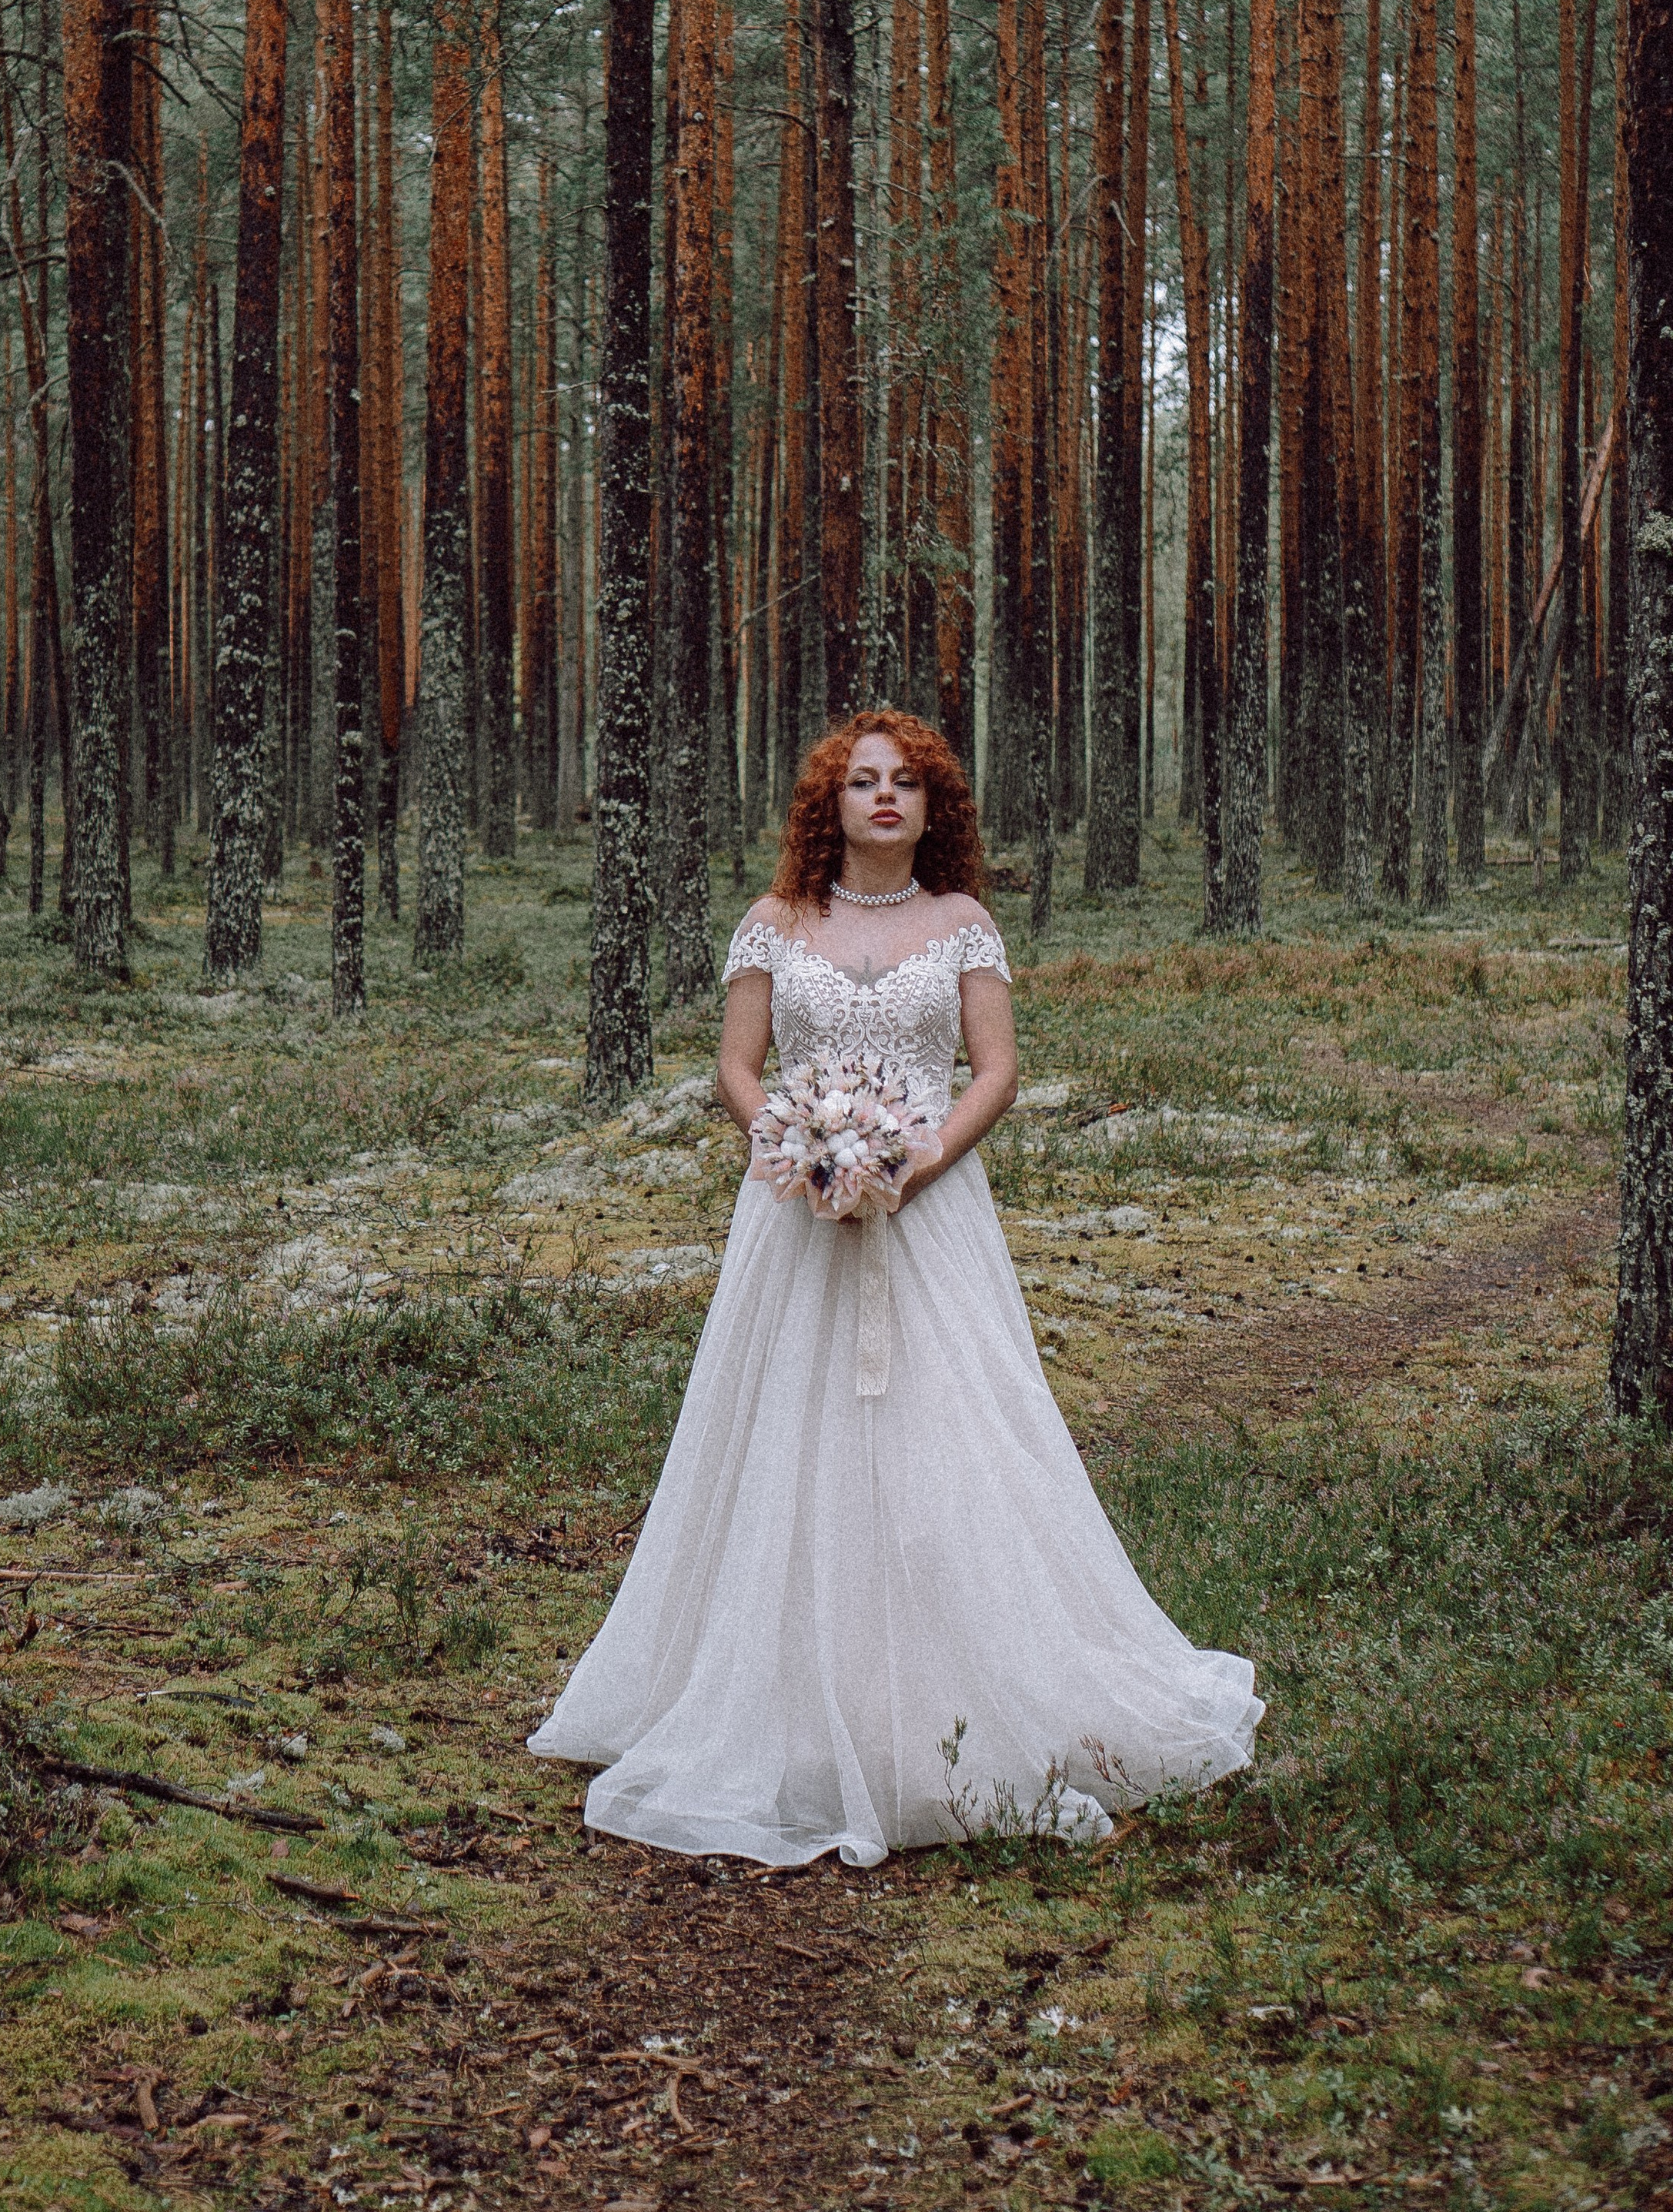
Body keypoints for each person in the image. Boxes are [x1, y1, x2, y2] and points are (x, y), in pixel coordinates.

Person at [529, 710, 1261, 1867]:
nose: (884, 799)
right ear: (830, 803)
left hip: (934, 1215)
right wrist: (799, 1141)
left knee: (949, 1432)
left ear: (933, 807)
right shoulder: (774, 923)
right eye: (862, 782)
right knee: (784, 1438)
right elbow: (736, 1063)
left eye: (905, 784)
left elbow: (999, 1070)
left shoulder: (962, 925)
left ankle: (949, 1695)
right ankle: (773, 1698)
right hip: (796, 1218)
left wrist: (914, 1162)